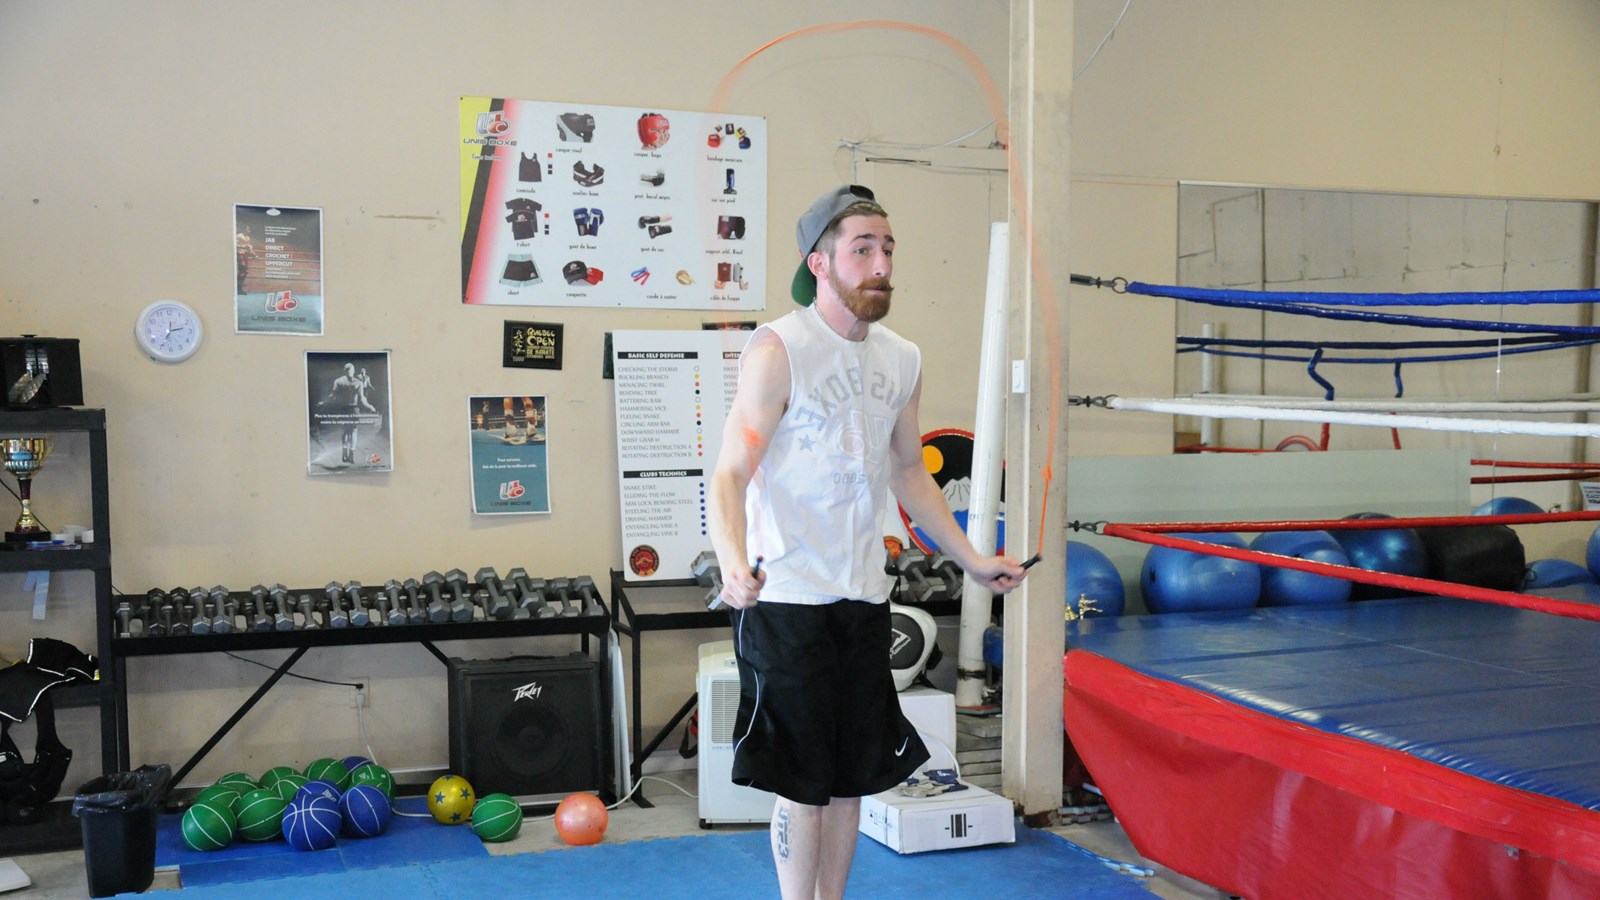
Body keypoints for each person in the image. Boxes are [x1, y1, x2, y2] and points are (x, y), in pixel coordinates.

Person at [708, 185, 1028, 900]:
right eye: (862, 250)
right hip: (787, 598)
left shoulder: (901, 358)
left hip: (862, 596)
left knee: (852, 779)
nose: (881, 264)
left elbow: (910, 472)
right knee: (803, 784)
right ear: (819, 263)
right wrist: (732, 562)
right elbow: (730, 471)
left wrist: (973, 560)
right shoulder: (779, 349)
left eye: (887, 249)